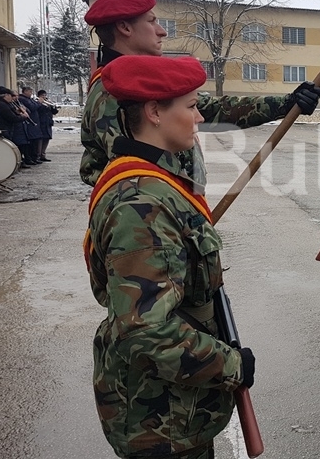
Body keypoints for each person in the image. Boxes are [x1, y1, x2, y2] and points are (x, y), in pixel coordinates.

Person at [85, 54, 256, 459]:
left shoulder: (155, 183)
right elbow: (146, 331)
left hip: (179, 406)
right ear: (154, 112)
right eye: (192, 106)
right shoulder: (141, 204)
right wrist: (230, 366)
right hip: (160, 419)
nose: (199, 119)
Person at [80, 0, 320, 187]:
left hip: (175, 211)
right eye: (152, 21)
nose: (162, 31)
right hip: (152, 222)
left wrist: (287, 104)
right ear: (125, 28)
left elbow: (216, 110)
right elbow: (132, 174)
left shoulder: (146, 80)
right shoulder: (111, 92)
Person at [35, 89, 59, 161]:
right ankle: (38, 155)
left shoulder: (48, 103)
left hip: (48, 123)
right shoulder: (37, 103)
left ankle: (43, 154)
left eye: (45, 95)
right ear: (39, 96)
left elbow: (54, 112)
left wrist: (53, 106)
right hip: (41, 123)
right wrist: (41, 103)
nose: (44, 97)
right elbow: (38, 110)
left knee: (47, 139)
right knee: (40, 140)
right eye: (42, 95)